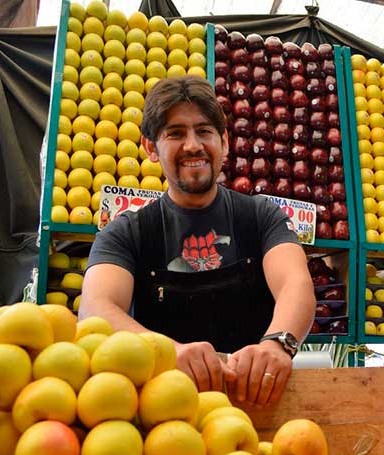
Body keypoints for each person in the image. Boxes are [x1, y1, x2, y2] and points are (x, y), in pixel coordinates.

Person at [79, 76, 316, 406]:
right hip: (165, 416)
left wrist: (278, 343)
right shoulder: (127, 232)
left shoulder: (261, 217)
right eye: (175, 133)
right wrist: (166, 352)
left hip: (258, 405)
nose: (193, 145)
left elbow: (295, 282)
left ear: (225, 141)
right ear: (150, 148)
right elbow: (95, 309)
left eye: (204, 131)